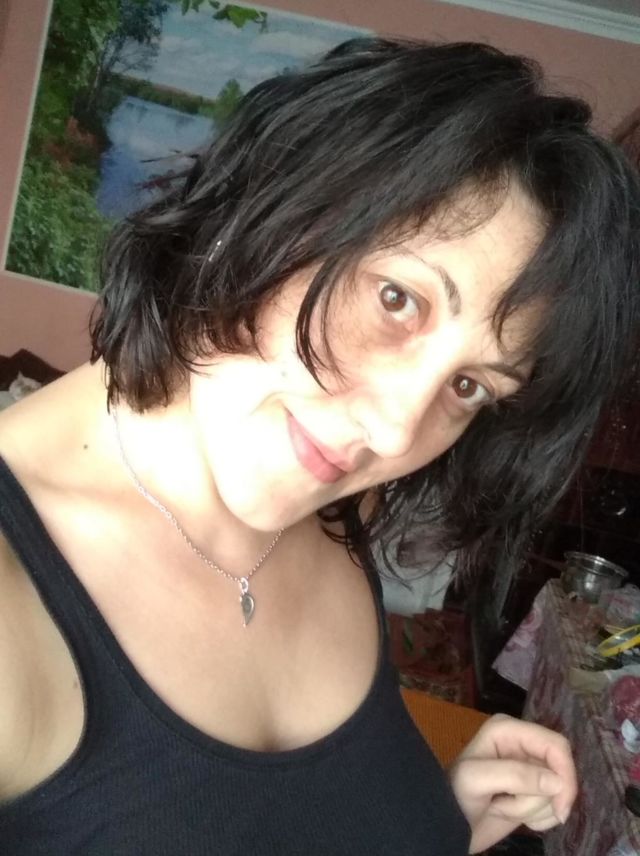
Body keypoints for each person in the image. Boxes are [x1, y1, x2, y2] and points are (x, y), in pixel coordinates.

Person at [0, 37, 638, 855]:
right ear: (265, 206)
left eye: (470, 384)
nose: (395, 434)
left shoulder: (329, 509)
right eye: (397, 299)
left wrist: (437, 820)